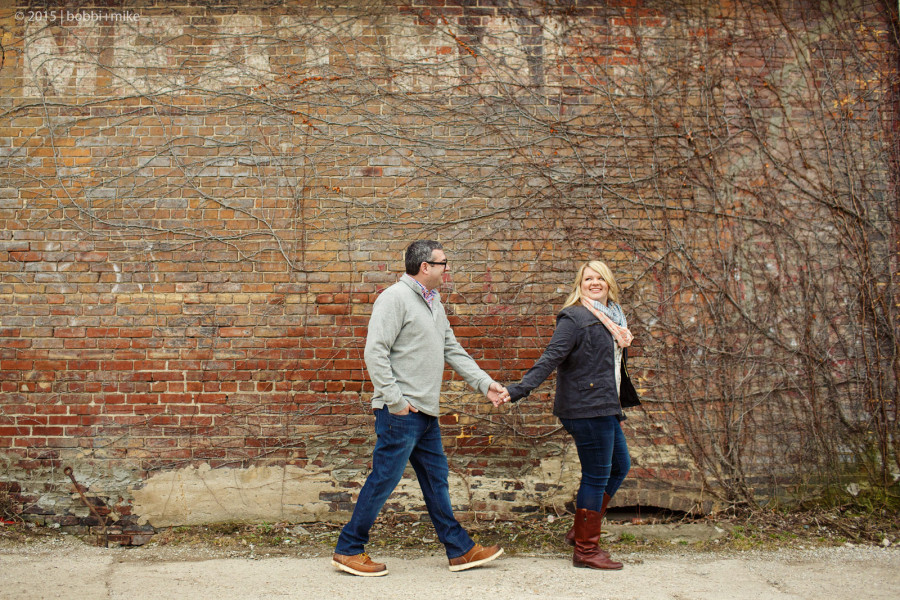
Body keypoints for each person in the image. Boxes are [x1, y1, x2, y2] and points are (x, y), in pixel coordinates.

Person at [332, 240, 506, 577]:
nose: (447, 268)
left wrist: (485, 384)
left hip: (426, 412)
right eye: (443, 262)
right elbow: (375, 352)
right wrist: (395, 401)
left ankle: (460, 549)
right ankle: (349, 548)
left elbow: (451, 348)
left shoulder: (433, 301)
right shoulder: (394, 298)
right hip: (401, 412)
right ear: (425, 266)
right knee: (384, 479)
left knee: (436, 480)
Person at [497, 260, 640, 570]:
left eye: (600, 278)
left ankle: (581, 530)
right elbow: (552, 357)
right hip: (587, 407)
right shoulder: (575, 317)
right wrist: (519, 389)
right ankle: (586, 550)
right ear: (579, 284)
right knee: (596, 475)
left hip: (605, 405)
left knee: (620, 466)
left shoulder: (613, 317)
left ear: (609, 283)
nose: (594, 283)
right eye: (588, 278)